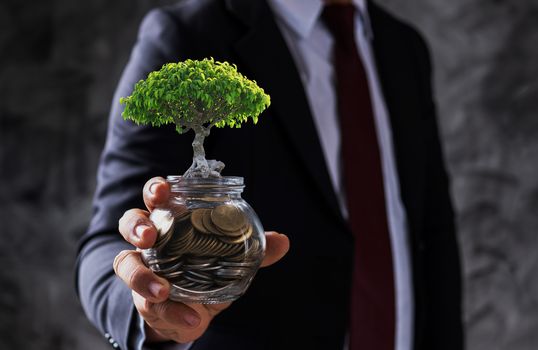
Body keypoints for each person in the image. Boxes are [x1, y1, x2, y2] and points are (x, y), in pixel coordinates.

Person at [75, 0, 463, 349]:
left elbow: (432, 232)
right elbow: (111, 238)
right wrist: (152, 310)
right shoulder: (188, 34)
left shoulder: (403, 47)